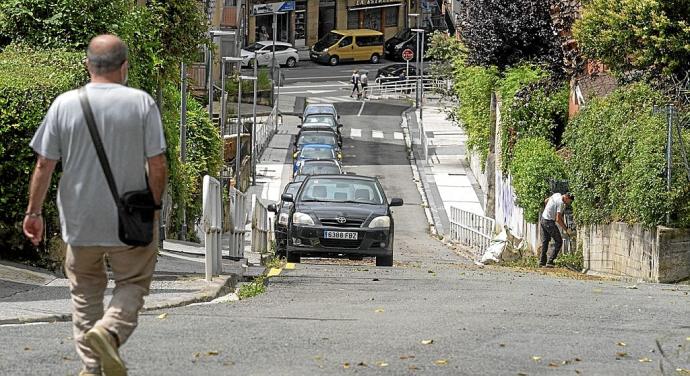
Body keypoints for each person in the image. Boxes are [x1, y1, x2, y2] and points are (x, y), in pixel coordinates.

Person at [22, 34, 167, 376]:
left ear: (87, 65)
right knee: (132, 283)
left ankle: (91, 367)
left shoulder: (64, 104)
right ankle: (110, 330)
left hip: (79, 220)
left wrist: (33, 212)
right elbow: (158, 164)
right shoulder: (141, 103)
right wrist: (154, 206)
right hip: (130, 220)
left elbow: (44, 164)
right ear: (124, 67)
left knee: (85, 293)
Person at [540, 192, 574, 268]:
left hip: (543, 219)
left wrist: (548, 211)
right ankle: (550, 261)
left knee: (545, 241)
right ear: (566, 198)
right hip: (549, 222)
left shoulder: (557, 194)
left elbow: (546, 200)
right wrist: (566, 229)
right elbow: (558, 219)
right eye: (570, 201)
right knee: (559, 241)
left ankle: (542, 262)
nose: (569, 203)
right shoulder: (561, 203)